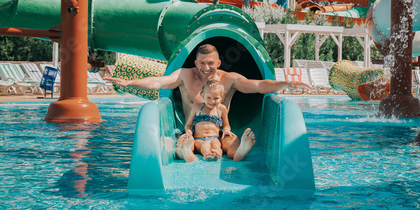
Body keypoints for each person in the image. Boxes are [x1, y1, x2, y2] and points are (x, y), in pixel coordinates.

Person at [105, 44, 310, 161]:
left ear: (218, 63)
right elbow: (158, 81)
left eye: (211, 63)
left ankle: (240, 150)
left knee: (231, 141)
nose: (206, 67)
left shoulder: (229, 79)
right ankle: (185, 150)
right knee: (181, 143)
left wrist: (286, 84)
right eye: (201, 63)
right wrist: (128, 82)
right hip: (191, 133)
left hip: (219, 133)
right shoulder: (185, 75)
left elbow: (257, 85)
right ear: (195, 63)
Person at [177, 80, 255, 163]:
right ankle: (193, 153)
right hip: (199, 139)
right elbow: (188, 124)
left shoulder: (221, 109)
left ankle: (237, 153)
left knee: (217, 145)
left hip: (215, 137)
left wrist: (226, 130)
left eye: (216, 98)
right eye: (209, 98)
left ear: (221, 97)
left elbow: (226, 125)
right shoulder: (197, 107)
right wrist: (189, 132)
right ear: (203, 96)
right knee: (204, 145)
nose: (212, 101)